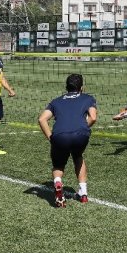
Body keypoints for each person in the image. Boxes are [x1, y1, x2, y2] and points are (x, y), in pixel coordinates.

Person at [38, 74, 97, 208]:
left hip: (59, 136)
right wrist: (81, 128)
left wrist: (51, 138)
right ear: (82, 87)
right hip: (81, 135)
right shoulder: (88, 98)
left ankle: (58, 182)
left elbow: (42, 119)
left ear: (66, 87)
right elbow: (93, 118)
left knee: (58, 165)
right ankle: (83, 193)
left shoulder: (56, 101)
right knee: (78, 156)